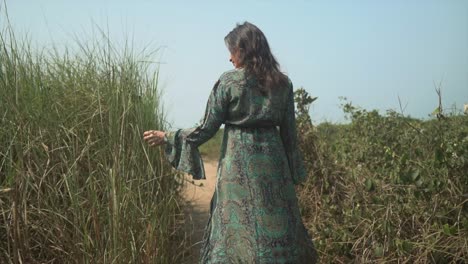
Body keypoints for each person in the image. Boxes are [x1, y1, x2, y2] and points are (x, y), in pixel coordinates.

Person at [143, 21, 317, 264]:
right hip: (276, 172)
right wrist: (294, 175)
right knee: (280, 234)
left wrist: (167, 136)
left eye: (232, 51)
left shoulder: (228, 83)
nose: (229, 58)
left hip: (238, 171)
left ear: (244, 50)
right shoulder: (283, 84)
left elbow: (205, 128)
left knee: (238, 233)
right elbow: (290, 136)